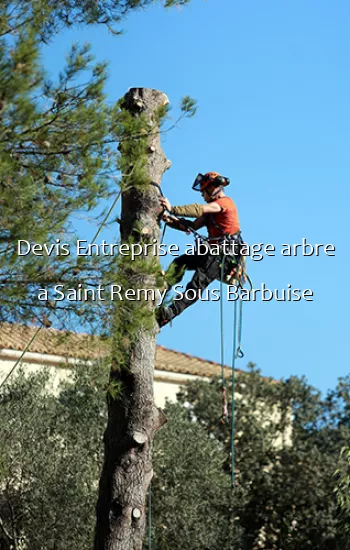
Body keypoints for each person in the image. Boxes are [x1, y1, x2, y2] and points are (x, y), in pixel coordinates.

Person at [156, 171, 242, 328]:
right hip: (211, 253)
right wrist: (170, 220)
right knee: (180, 262)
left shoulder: (224, 203)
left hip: (223, 256)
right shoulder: (211, 213)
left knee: (197, 284)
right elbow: (192, 225)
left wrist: (173, 208)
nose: (202, 195)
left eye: (204, 191)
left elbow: (198, 209)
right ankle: (161, 287)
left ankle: (170, 313)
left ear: (213, 188)